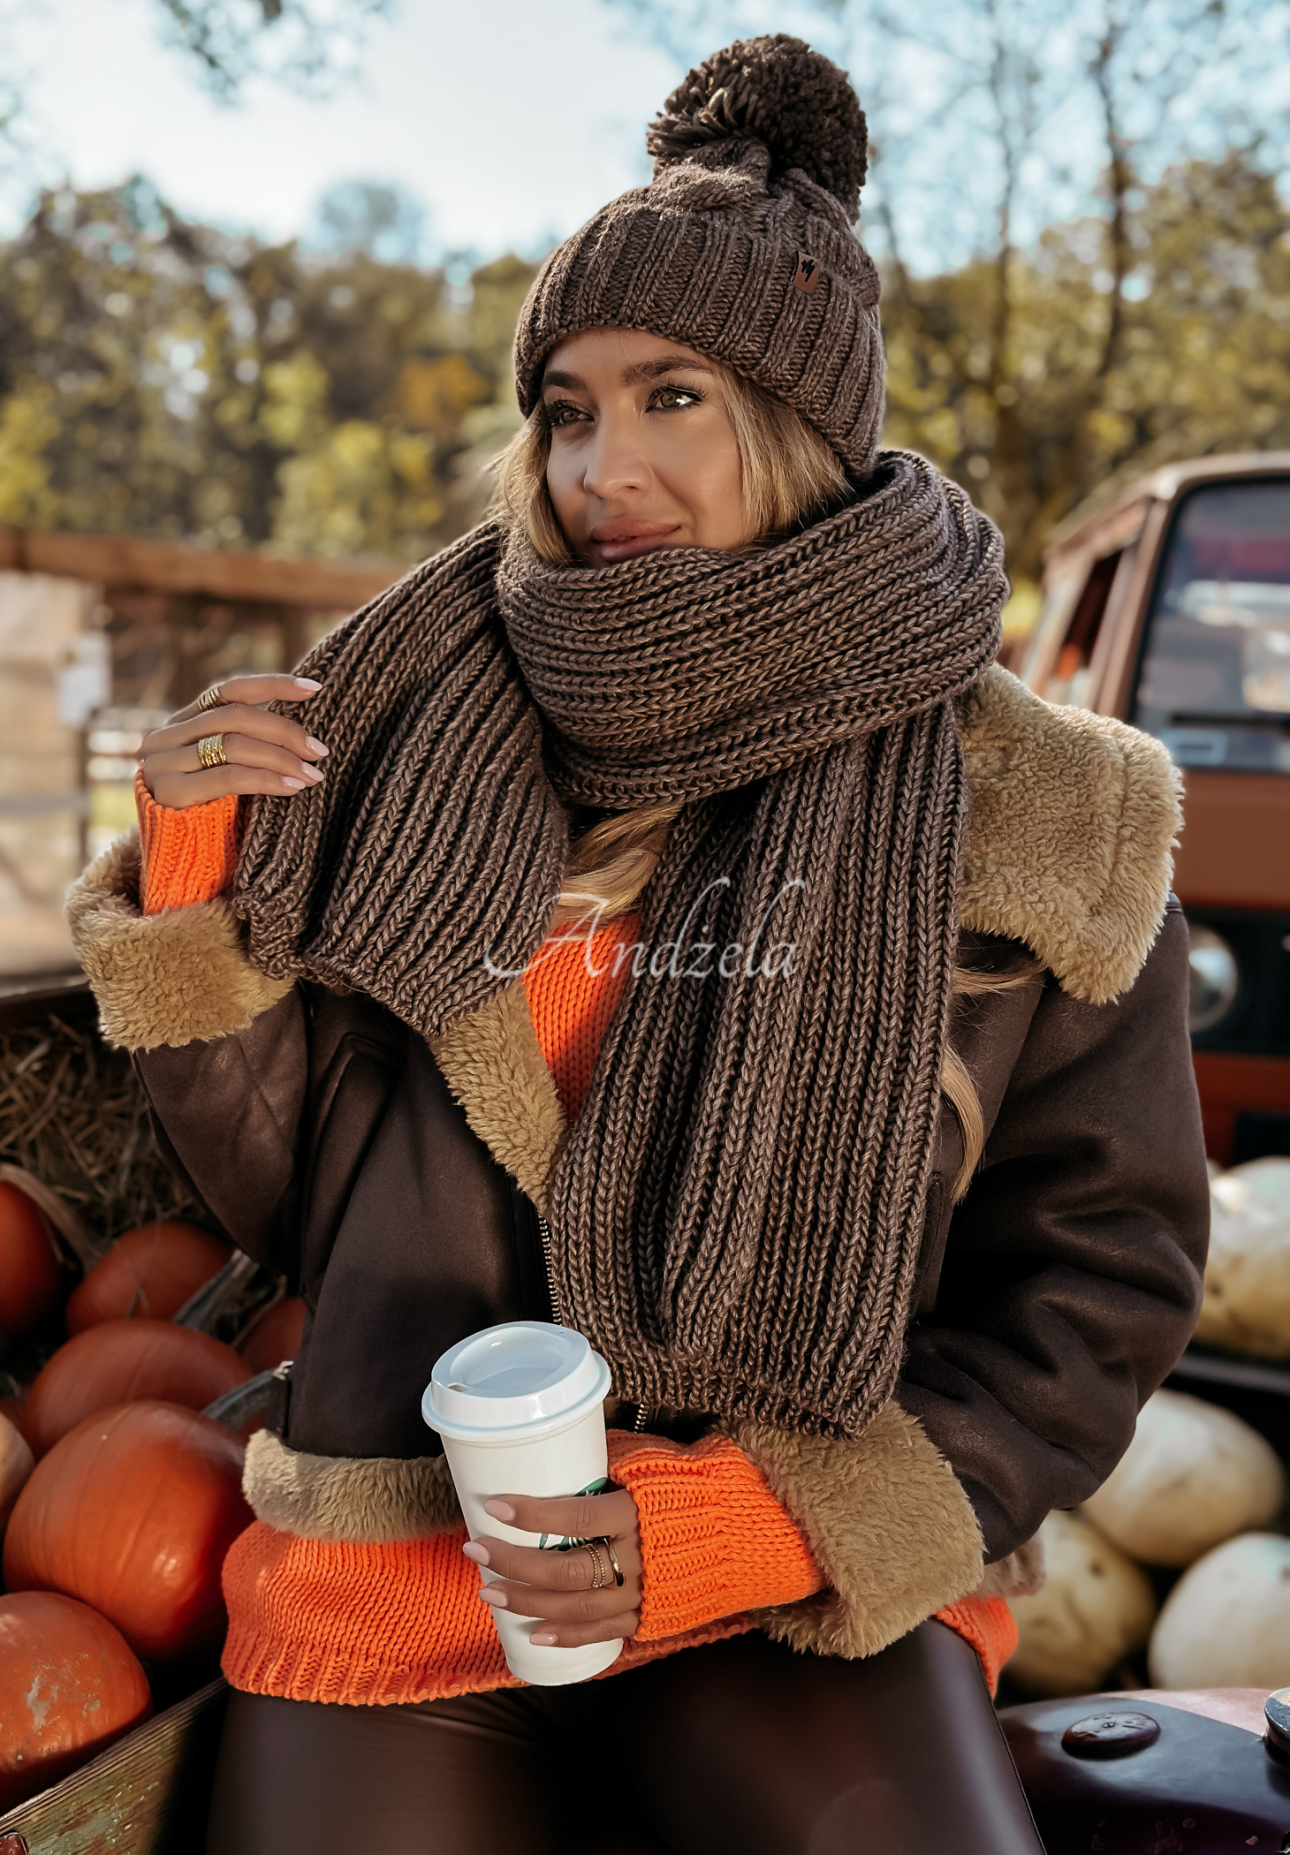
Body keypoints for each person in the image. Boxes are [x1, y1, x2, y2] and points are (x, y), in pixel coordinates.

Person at [67, 35, 1209, 1855]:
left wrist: (761, 1520)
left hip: (795, 1563)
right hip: (415, 1545)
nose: (604, 464)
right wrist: (196, 888)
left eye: (670, 395)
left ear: (803, 419)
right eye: (569, 408)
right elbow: (302, 1206)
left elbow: (1101, 1280)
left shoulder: (1047, 813)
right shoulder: (428, 734)